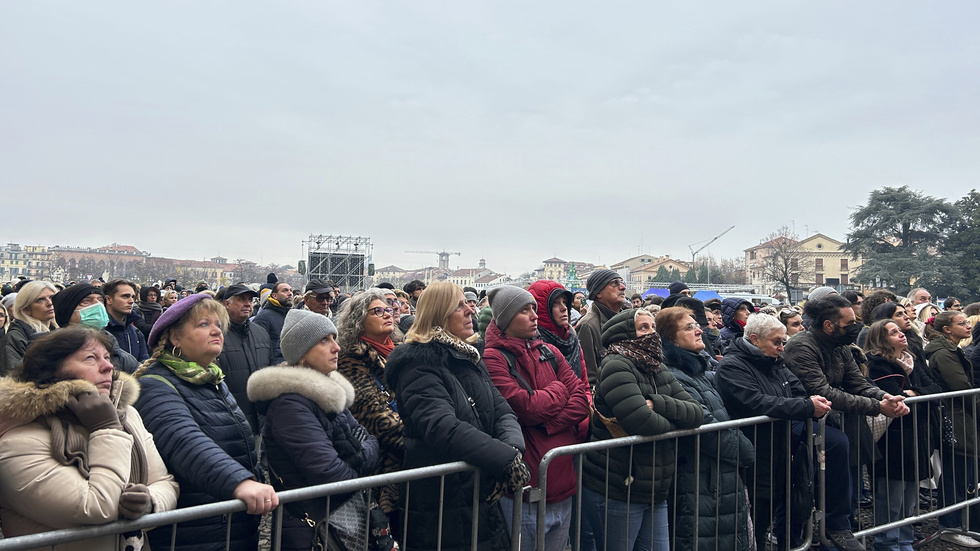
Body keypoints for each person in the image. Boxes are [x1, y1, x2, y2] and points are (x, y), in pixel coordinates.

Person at [0, 327, 178, 550]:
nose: (108, 366)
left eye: (106, 357)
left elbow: (165, 482)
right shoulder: (17, 442)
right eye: (90, 358)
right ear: (52, 371)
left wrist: (149, 503)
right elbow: (97, 507)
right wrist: (107, 428)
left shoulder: (126, 414)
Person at [385, 281, 529, 551]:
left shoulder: (468, 357)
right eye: (459, 306)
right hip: (441, 503)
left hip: (477, 491)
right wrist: (503, 459)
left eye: (468, 304)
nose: (470, 312)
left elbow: (501, 409)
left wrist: (511, 450)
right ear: (439, 314)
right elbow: (442, 426)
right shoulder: (417, 365)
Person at [135, 293, 277, 551]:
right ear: (175, 338)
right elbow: (183, 440)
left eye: (218, 325)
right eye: (203, 324)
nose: (216, 331)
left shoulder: (211, 379)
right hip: (194, 532)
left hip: (228, 524)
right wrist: (240, 482)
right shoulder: (155, 384)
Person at [247, 309, 381, 551]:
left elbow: (371, 441)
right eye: (324, 340)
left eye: (334, 338)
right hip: (311, 530)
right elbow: (331, 474)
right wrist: (361, 463)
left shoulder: (328, 395)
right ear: (302, 355)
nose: (336, 347)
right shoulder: (290, 405)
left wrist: (358, 457)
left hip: (336, 520)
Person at [783, 294, 909, 551]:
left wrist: (885, 396)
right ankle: (823, 533)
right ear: (829, 325)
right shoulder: (801, 346)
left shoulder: (841, 346)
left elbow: (857, 382)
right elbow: (823, 391)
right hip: (804, 424)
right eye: (850, 321)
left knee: (847, 488)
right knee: (809, 492)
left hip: (840, 424)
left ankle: (840, 530)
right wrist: (878, 406)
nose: (856, 325)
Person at [582, 308, 703, 551]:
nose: (651, 334)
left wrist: (658, 403)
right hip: (619, 486)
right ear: (625, 333)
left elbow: (696, 413)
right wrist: (675, 421)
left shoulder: (657, 366)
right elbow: (643, 422)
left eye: (653, 327)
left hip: (654, 488)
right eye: (643, 328)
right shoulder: (616, 365)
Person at [483, 285, 590, 551]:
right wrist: (558, 390)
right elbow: (524, 407)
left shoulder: (549, 352)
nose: (534, 316)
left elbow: (581, 401)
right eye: (524, 310)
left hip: (563, 482)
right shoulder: (493, 358)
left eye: (533, 308)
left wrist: (547, 423)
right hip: (525, 489)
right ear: (506, 319)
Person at [716, 313, 832, 550]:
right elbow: (756, 402)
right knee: (754, 523)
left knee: (775, 511)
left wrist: (804, 404)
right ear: (755, 339)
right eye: (776, 342)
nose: (781, 347)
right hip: (753, 455)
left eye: (783, 342)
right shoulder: (732, 365)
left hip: (779, 451)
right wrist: (805, 407)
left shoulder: (776, 363)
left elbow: (798, 392)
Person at [655, 307, 754, 551]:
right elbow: (705, 425)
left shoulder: (695, 370)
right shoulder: (674, 375)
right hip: (699, 482)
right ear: (670, 339)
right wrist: (745, 450)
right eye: (688, 327)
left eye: (695, 324)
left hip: (717, 479)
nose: (699, 329)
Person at [864, 319, 938, 551]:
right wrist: (916, 394)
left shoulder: (911, 360)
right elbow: (895, 399)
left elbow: (936, 389)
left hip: (916, 434)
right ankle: (887, 542)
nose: (901, 334)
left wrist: (913, 392)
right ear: (881, 339)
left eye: (900, 330)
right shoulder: (877, 364)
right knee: (891, 496)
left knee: (909, 496)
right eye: (893, 332)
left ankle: (904, 540)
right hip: (893, 437)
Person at [335, 288, 404, 516]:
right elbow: (375, 418)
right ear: (358, 321)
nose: (387, 314)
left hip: (405, 464)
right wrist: (429, 439)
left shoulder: (398, 353)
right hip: (383, 470)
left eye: (387, 309)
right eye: (377, 311)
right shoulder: (350, 361)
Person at [923, 311, 980, 546]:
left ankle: (959, 524)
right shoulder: (944, 354)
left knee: (964, 473)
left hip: (962, 417)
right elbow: (961, 387)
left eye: (967, 322)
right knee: (956, 474)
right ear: (947, 329)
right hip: (955, 419)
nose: (968, 326)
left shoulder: (951, 350)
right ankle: (950, 525)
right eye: (962, 323)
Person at [218, 284, 274, 434]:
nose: (248, 304)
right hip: (230, 422)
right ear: (226, 304)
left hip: (261, 420)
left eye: (250, 300)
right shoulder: (216, 335)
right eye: (241, 299)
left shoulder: (260, 333)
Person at [52, 283, 141, 374]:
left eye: (100, 301)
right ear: (67, 312)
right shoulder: (49, 352)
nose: (98, 306)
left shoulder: (118, 354)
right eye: (86, 301)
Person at [577, 269, 628, 385]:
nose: (622, 287)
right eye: (614, 283)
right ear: (598, 293)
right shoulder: (587, 326)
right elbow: (590, 379)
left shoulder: (628, 320)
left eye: (621, 282)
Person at [0, 280, 58, 376]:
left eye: (52, 297)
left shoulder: (58, 331)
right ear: (26, 309)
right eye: (40, 300)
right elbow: (12, 379)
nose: (49, 303)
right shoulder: (14, 338)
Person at [103, 279, 149, 361]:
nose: (131, 301)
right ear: (109, 299)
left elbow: (144, 364)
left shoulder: (136, 333)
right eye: (125, 296)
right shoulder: (99, 331)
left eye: (132, 297)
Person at [253, 282, 293, 364]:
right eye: (285, 291)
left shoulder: (292, 315)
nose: (290, 294)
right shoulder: (263, 318)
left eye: (291, 290)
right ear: (274, 296)